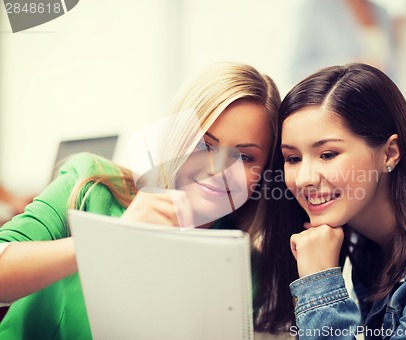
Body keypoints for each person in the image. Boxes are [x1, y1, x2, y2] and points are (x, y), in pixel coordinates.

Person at [0, 62, 280, 339]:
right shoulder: (88, 184)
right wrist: (107, 239)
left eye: (244, 157)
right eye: (203, 144)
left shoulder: (245, 268)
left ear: (264, 171)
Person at [255, 63, 406, 338]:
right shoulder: (368, 245)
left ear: (389, 153)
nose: (304, 179)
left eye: (327, 154)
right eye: (293, 159)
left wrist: (319, 281)